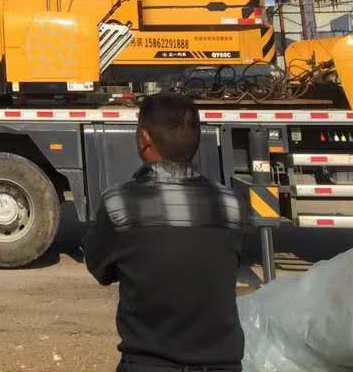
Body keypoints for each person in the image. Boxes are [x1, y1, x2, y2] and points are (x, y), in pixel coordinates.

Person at [83, 92, 244, 372]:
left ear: (144, 138)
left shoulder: (120, 203)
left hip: (148, 364)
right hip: (223, 365)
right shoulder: (230, 204)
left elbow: (99, 269)